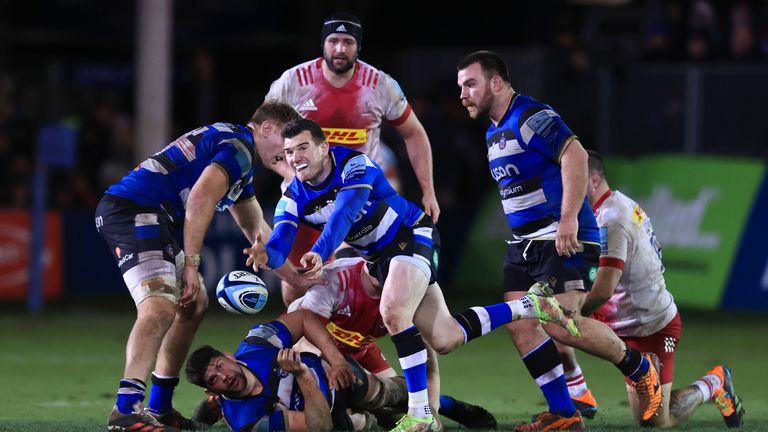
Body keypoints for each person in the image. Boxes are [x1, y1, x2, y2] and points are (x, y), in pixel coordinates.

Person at [246, 118, 580, 432]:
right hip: (381, 258)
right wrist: (267, 253)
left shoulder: (354, 165)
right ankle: (531, 304)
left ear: (324, 148)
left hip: (412, 235)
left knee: (392, 310)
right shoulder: (291, 195)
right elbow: (280, 239)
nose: (295, 157)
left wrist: (319, 251)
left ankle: (421, 416)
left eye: (302, 147)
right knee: (445, 338)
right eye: (289, 152)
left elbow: (344, 216)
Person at [456, 50, 662, 431]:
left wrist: (567, 220)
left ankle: (639, 366)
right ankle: (565, 413)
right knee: (521, 326)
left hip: (560, 236)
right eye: (461, 87)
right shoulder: (493, 130)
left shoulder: (530, 116)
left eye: (470, 84)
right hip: (524, 244)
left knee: (559, 321)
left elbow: (576, 155)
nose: (463, 94)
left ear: (496, 82)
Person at [95, 101, 308, 431]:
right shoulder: (240, 150)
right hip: (134, 211)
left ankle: (160, 407)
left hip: (150, 215)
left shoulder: (239, 156)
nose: (289, 152)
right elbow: (199, 199)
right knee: (159, 308)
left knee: (192, 304)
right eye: (287, 140)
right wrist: (192, 265)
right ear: (266, 129)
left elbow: (257, 233)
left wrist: (297, 277)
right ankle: (126, 409)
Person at [264, 12, 440, 306]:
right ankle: (307, 352)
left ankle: (356, 350)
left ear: (358, 46)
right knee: (295, 286)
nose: (340, 49)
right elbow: (263, 134)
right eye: (333, 41)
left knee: (356, 292)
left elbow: (415, 134)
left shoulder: (379, 84)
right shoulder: (293, 82)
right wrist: (288, 172)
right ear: (324, 44)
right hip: (306, 203)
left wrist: (428, 191)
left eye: (348, 42)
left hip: (358, 201)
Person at [581, 150, 746, 428]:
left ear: (594, 180)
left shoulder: (612, 218)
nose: (566, 184)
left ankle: (715, 382)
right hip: (627, 324)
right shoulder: (609, 207)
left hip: (653, 328)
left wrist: (575, 312)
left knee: (657, 419)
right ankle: (571, 400)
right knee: (560, 328)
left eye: (574, 177)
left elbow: (604, 289)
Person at [288, 256, 497, 429]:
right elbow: (303, 343)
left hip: (361, 350)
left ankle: (445, 404)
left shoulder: (405, 287)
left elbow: (424, 354)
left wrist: (429, 408)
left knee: (403, 407)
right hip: (320, 352)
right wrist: (342, 370)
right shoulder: (334, 281)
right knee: (352, 409)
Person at [185, 308, 405, 432]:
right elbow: (318, 428)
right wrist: (302, 376)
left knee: (392, 394)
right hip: (329, 420)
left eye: (220, 366)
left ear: (228, 356)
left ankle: (436, 402)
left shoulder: (257, 344)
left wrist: (337, 361)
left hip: (338, 376)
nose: (224, 376)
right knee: (372, 426)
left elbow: (302, 318)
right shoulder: (246, 422)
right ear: (212, 391)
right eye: (214, 379)